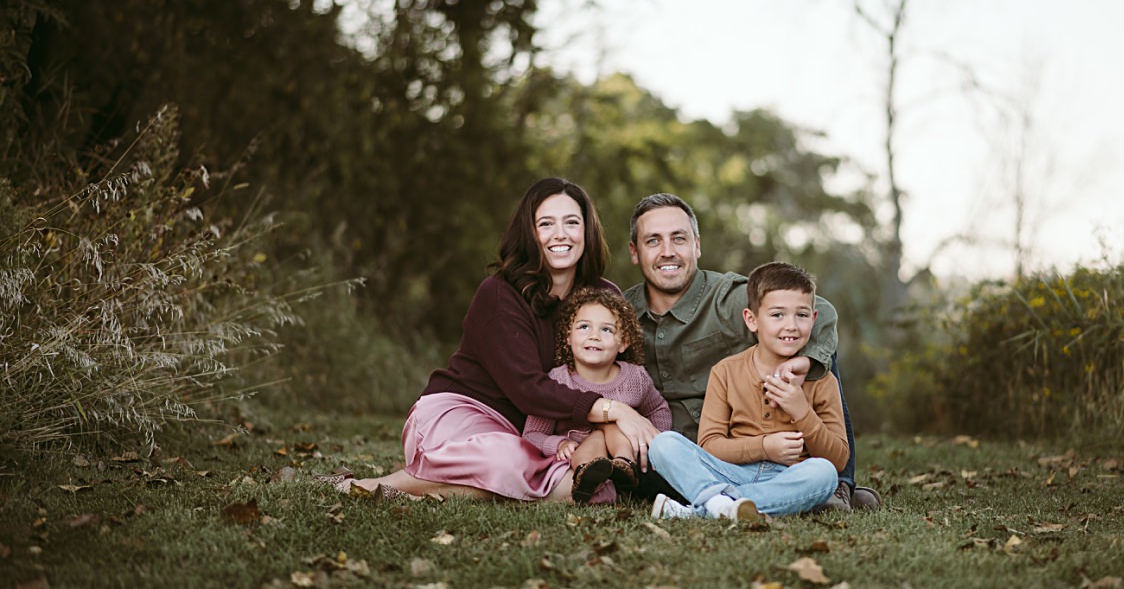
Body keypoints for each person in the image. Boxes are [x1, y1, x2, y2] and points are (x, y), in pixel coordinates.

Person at [317, 177, 660, 501]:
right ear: (530, 232)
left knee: (583, 489)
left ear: (587, 230)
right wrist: (612, 410)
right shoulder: (500, 293)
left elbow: (621, 371)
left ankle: (431, 493)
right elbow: (527, 388)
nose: (561, 234)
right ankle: (373, 486)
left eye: (572, 222)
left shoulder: (604, 297)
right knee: (507, 460)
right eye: (546, 224)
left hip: (531, 438)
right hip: (460, 414)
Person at [623, 193, 882, 512]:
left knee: (820, 356)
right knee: (658, 451)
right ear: (635, 251)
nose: (668, 252)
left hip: (755, 448)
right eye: (653, 241)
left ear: (697, 246)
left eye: (679, 238)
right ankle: (749, 502)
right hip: (698, 456)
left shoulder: (725, 299)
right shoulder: (623, 313)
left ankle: (839, 485)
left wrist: (805, 362)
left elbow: (819, 312)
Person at [648, 262, 848, 521]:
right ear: (751, 320)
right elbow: (710, 445)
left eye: (801, 315)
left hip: (787, 477)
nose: (791, 325)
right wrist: (764, 447)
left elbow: (838, 459)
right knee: (664, 444)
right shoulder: (726, 372)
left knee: (824, 474)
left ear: (814, 318)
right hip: (732, 471)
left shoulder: (822, 380)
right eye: (777, 315)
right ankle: (728, 505)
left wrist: (802, 411)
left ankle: (710, 507)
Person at [521, 286, 672, 503]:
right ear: (568, 337)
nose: (594, 336)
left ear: (623, 343)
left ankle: (624, 467)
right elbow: (532, 434)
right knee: (601, 430)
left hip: (626, 452)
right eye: (584, 327)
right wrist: (559, 445)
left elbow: (658, 408)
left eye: (607, 330)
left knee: (610, 426)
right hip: (574, 458)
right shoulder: (557, 381)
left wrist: (655, 441)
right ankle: (587, 475)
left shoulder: (634, 377)